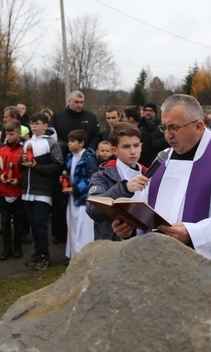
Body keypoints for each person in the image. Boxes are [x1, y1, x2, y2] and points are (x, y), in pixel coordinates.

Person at [112, 94, 211, 277]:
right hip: (159, 268)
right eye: (164, 127)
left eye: (174, 127)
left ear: (198, 126)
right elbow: (144, 207)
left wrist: (191, 234)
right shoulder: (162, 159)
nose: (168, 134)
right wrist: (130, 229)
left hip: (205, 276)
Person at [86, 122, 148, 241]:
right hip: (112, 245)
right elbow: (93, 210)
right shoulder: (101, 176)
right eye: (126, 147)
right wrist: (124, 189)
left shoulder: (150, 174)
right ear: (114, 150)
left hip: (146, 245)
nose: (133, 151)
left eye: (136, 145)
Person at [20, 112, 64, 271]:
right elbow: (22, 165)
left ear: (45, 126)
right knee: (32, 224)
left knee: (41, 224)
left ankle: (45, 255)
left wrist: (36, 166)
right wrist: (22, 163)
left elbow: (58, 166)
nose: (33, 126)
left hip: (43, 190)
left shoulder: (51, 143)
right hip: (27, 190)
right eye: (32, 123)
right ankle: (37, 252)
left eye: (37, 123)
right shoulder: (26, 143)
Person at [64, 129, 97, 262]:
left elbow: (92, 178)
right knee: (72, 225)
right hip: (72, 198)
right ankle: (73, 254)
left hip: (83, 199)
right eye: (69, 141)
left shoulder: (88, 158)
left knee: (83, 229)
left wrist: (76, 189)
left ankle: (84, 256)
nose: (69, 144)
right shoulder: (69, 157)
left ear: (81, 143)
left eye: (72, 141)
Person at [0, 120, 25, 261]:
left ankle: (18, 248)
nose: (9, 137)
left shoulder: (23, 150)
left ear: (19, 133)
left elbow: (27, 170)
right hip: (3, 190)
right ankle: (6, 249)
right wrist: (1, 176)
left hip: (18, 192)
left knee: (19, 222)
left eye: (12, 134)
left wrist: (18, 180)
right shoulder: (0, 150)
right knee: (4, 222)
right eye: (7, 134)